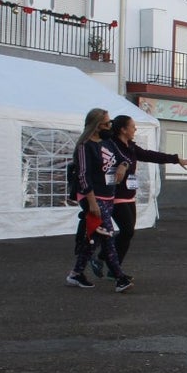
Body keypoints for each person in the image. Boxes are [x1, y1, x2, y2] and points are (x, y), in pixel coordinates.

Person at [87, 114, 187, 279]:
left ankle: (108, 266)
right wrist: (122, 165)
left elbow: (150, 155)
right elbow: (107, 163)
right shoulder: (110, 144)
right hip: (114, 195)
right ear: (123, 129)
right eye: (132, 126)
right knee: (127, 230)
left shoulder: (131, 146)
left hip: (129, 194)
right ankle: (107, 264)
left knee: (128, 233)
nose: (135, 129)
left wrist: (175, 159)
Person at [65, 108, 134, 293]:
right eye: (106, 123)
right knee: (108, 235)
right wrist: (92, 202)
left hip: (108, 195)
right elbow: (83, 175)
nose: (110, 126)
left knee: (94, 237)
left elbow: (124, 159)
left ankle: (76, 273)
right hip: (93, 197)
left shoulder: (108, 143)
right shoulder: (84, 146)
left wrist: (123, 166)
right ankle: (119, 277)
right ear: (96, 126)